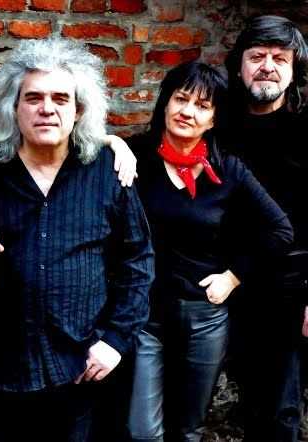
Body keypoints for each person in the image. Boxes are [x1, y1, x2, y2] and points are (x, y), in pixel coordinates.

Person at [0, 37, 155, 441]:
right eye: (34, 98)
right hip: (0, 371)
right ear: (14, 107)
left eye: (61, 99)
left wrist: (115, 341)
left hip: (85, 368)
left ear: (78, 110)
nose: (47, 108)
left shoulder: (108, 169)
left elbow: (137, 262)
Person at [125, 61, 294, 442]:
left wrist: (233, 277)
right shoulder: (135, 156)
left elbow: (280, 230)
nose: (188, 111)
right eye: (180, 99)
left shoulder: (228, 169)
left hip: (204, 318)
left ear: (214, 119)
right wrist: (111, 142)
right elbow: (82, 152)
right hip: (145, 315)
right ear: (165, 103)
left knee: (189, 430)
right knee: (142, 432)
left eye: (202, 106)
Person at [223, 15, 308, 442]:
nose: (267, 67)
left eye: (280, 58)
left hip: (286, 291)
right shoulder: (215, 126)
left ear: (294, 71)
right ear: (239, 65)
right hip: (222, 284)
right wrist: (112, 142)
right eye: (257, 56)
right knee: (246, 407)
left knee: (279, 412)